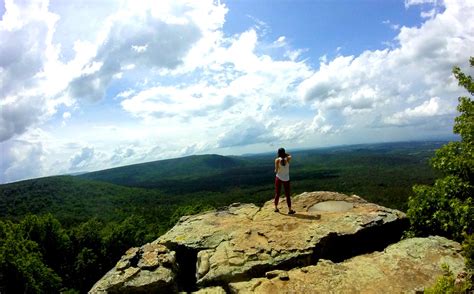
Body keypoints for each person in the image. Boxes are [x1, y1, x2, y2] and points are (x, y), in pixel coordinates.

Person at [274, 147, 295, 214]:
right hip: (286, 179)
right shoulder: (288, 159)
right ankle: (289, 210)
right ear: (284, 152)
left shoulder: (277, 160)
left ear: (278, 153)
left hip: (278, 178)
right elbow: (289, 155)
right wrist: (285, 154)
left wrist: (276, 170)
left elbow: (276, 170)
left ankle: (276, 208)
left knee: (277, 193)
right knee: (287, 195)